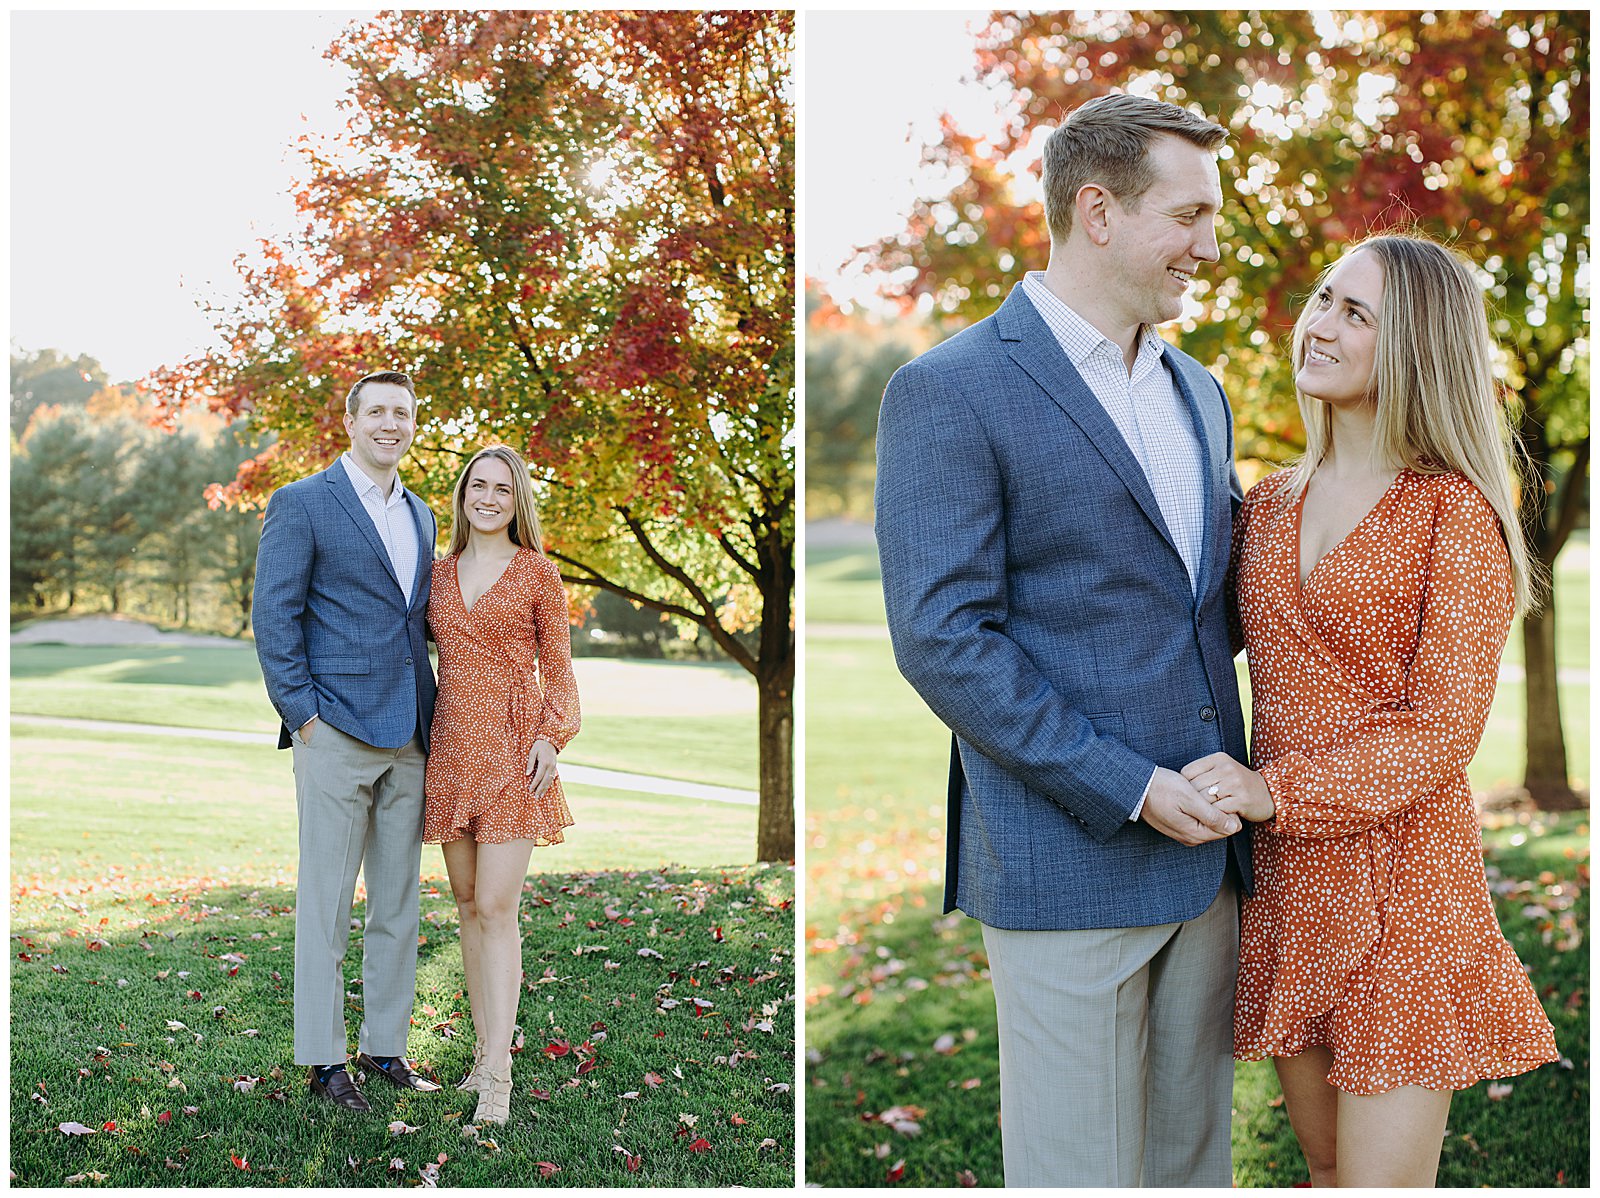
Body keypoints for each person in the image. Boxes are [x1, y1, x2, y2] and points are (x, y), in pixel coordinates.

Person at [875, 93, 1253, 1187]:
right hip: (1063, 862)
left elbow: (1207, 607)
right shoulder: (948, 390)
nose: (1209, 245)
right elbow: (944, 639)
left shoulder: (1201, 391)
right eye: (1188, 216)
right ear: (1097, 209)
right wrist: (1127, 783)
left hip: (1211, 864)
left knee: (1191, 1169)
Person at [1182, 233, 1559, 1187]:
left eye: (1358, 314)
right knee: (1321, 1172)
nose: (1321, 324)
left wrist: (1270, 790)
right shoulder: (1265, 505)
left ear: (1416, 349)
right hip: (1291, 890)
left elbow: (1442, 733)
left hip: (1404, 895)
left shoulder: (1456, 514)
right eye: (1322, 299)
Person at [253, 369, 443, 1111]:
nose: (391, 423)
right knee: (327, 903)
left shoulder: (423, 514)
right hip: (333, 730)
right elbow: (275, 618)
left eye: (404, 412)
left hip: (411, 734)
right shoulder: (302, 503)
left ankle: (384, 1048)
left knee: (397, 902)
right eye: (379, 412)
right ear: (351, 420)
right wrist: (304, 716)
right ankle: (324, 1062)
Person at [422, 445, 581, 1125]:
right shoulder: (434, 574)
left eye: (501, 489)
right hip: (452, 752)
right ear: (462, 495)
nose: (487, 498)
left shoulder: (539, 574)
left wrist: (553, 734)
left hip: (516, 757)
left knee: (496, 906)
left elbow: (562, 672)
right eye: (477, 486)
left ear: (518, 501)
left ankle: (500, 1075)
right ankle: (483, 1055)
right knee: (464, 904)